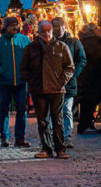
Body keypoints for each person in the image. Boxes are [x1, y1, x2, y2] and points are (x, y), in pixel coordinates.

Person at [20, 20, 75, 159]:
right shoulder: (31, 48)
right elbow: (23, 69)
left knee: (58, 120)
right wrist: (32, 80)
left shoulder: (61, 47)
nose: (47, 33)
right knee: (43, 121)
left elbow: (70, 67)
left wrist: (61, 81)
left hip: (57, 90)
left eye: (49, 30)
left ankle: (60, 148)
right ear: (38, 32)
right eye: (43, 31)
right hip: (39, 89)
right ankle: (46, 148)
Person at [0, 16, 32, 148]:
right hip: (4, 83)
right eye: (11, 25)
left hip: (21, 82)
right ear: (5, 27)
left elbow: (30, 58)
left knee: (21, 110)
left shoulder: (24, 40)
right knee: (4, 110)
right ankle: (4, 137)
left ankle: (20, 138)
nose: (14, 27)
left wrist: (27, 74)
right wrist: (1, 72)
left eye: (15, 25)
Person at [53, 16, 86, 148]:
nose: (56, 30)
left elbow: (81, 60)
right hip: (53, 83)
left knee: (66, 110)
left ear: (64, 27)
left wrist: (73, 74)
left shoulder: (73, 42)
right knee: (54, 111)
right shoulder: (50, 42)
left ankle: (67, 137)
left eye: (58, 27)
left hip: (69, 83)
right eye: (54, 27)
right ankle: (55, 136)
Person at [77, 23, 101, 133]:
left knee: (88, 102)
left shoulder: (86, 41)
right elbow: (98, 57)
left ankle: (86, 124)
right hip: (91, 78)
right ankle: (85, 125)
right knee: (89, 102)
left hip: (87, 77)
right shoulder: (91, 42)